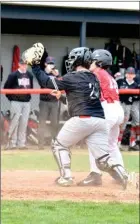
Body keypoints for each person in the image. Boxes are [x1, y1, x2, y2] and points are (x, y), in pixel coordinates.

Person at [30, 46, 128, 188]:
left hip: (83, 118)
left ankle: (66, 177)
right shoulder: (94, 77)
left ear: (78, 60)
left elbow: (47, 82)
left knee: (59, 145)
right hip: (100, 120)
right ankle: (123, 173)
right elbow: (81, 96)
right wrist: (63, 98)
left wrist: (35, 66)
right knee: (102, 159)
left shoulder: (74, 76)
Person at [68, 49, 125, 187]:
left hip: (107, 109)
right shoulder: (108, 75)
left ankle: (95, 175)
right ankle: (122, 174)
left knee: (94, 141)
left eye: (92, 61)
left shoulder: (97, 74)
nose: (89, 64)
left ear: (99, 63)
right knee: (111, 144)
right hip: (117, 110)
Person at [4, 58, 33, 149]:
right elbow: (6, 88)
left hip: (26, 102)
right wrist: (12, 99)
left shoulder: (29, 75)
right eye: (23, 64)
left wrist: (28, 97)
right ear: (19, 64)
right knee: (14, 122)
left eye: (26, 64)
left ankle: (21, 143)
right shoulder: (13, 75)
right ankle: (12, 143)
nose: (24, 66)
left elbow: (31, 88)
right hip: (16, 102)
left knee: (24, 123)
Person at [38, 56, 61, 149]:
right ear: (45, 64)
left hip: (54, 101)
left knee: (54, 123)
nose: (51, 65)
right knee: (42, 122)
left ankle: (54, 143)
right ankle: (40, 144)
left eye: (52, 63)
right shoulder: (42, 73)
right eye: (49, 63)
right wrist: (46, 73)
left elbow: (61, 85)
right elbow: (41, 82)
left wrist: (58, 76)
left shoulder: (56, 73)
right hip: (44, 101)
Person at [117, 67, 138, 149]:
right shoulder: (120, 81)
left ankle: (118, 142)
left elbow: (136, 97)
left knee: (124, 125)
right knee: (117, 123)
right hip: (119, 104)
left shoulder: (135, 85)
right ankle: (114, 142)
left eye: (131, 74)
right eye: (128, 74)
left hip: (128, 106)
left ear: (134, 75)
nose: (130, 75)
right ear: (125, 74)